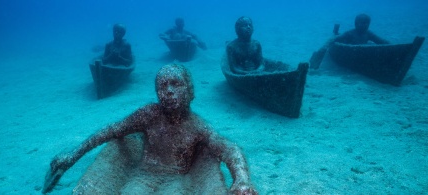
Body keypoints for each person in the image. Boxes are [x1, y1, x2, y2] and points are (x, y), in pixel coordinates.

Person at [42, 64, 258, 194]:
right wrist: (72, 155)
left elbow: (229, 149)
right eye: (162, 86)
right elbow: (111, 130)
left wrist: (242, 179)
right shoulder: (148, 115)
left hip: (177, 180)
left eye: (176, 84)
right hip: (142, 176)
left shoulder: (197, 126)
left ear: (190, 90)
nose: (169, 91)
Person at [310, 14, 389, 69]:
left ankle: (336, 32)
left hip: (358, 52)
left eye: (367, 23)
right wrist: (323, 48)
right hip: (349, 51)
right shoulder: (350, 33)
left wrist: (394, 46)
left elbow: (380, 41)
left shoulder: (369, 33)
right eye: (363, 23)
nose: (365, 25)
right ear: (356, 24)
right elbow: (333, 40)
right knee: (336, 36)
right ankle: (336, 32)